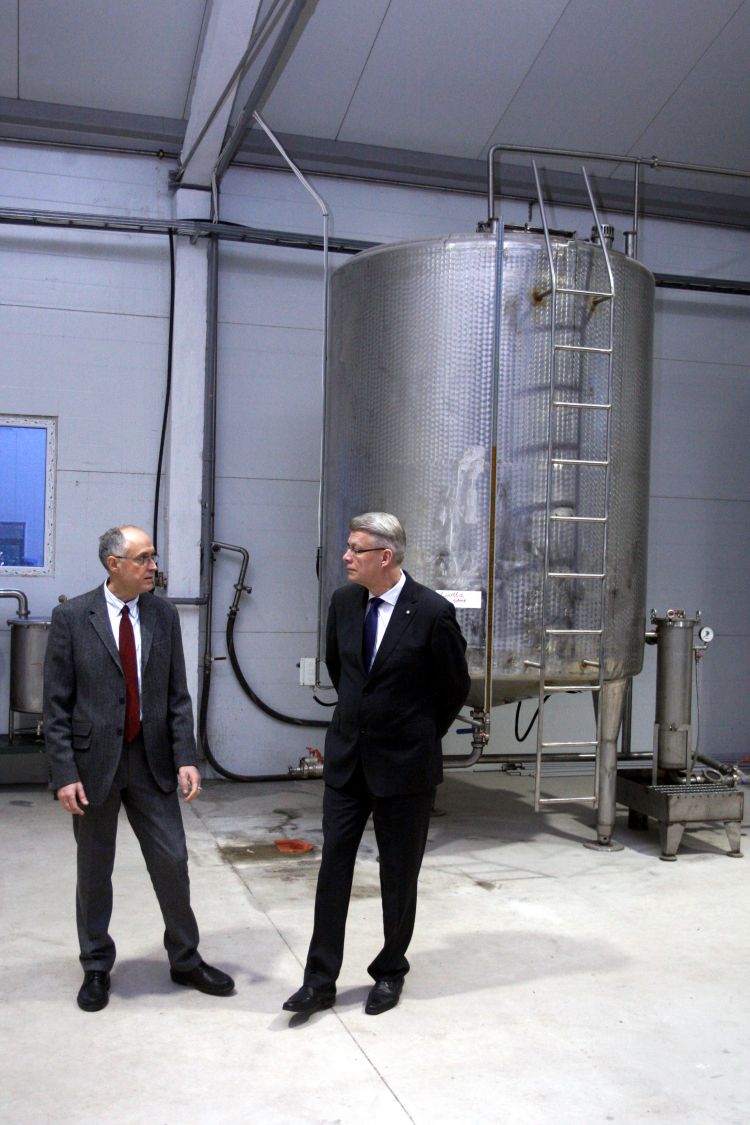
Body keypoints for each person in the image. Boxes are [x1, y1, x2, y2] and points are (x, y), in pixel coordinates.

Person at [284, 512, 470, 1017]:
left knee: (398, 875)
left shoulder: (432, 612)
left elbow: (454, 687)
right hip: (348, 762)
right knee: (333, 871)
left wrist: (415, 735)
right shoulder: (344, 603)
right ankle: (319, 980)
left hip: (405, 768)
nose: (346, 557)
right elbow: (342, 670)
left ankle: (390, 970)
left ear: (384, 557)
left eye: (355, 549)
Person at [43, 525, 234, 1011]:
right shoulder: (72, 617)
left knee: (172, 860)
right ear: (115, 565)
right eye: (143, 558)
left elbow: (177, 695)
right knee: (94, 869)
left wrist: (186, 757)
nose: (153, 566)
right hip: (93, 765)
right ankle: (96, 965)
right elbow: (57, 704)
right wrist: (64, 772)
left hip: (152, 760)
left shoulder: (162, 615)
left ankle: (185, 959)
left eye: (153, 557)